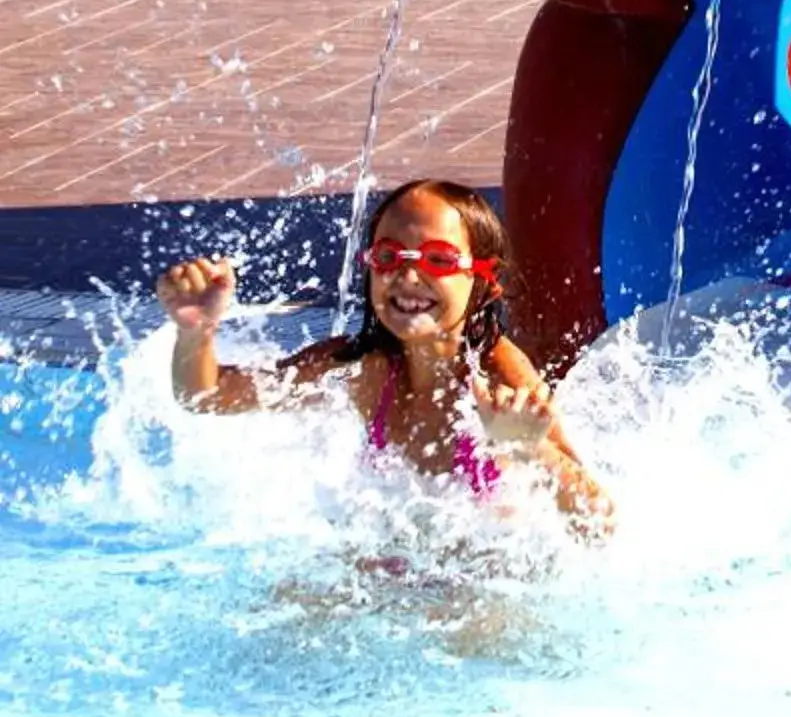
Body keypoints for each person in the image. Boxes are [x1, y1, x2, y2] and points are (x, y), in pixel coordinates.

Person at [155, 176, 611, 532]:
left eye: (439, 260)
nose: (408, 276)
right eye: (390, 257)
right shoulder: (363, 368)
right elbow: (206, 397)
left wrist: (528, 450)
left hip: (485, 589)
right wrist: (197, 332)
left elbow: (599, 524)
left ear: (485, 282)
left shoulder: (499, 381)